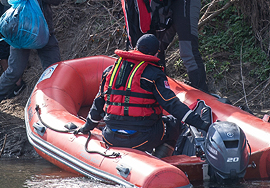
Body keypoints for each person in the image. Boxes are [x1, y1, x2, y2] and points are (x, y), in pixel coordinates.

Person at [76, 34, 210, 157]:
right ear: (156, 52)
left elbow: (98, 104)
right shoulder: (154, 74)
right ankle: (159, 162)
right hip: (141, 139)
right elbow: (171, 104)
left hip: (110, 137)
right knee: (173, 124)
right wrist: (202, 124)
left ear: (135, 48)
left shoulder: (110, 71)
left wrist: (86, 127)